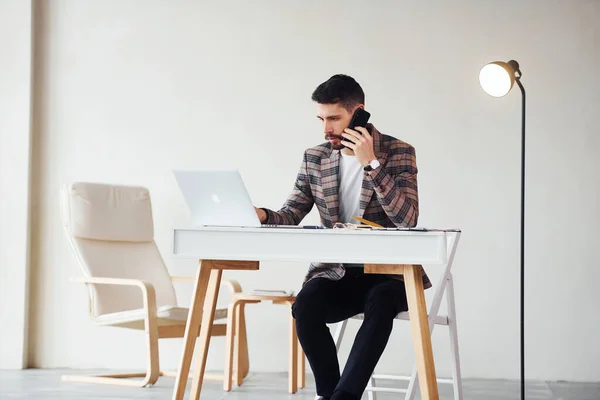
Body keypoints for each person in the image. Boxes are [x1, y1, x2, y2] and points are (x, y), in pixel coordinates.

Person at [254, 74, 431, 400]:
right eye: (321, 119)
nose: (326, 128)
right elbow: (291, 213)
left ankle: (344, 397)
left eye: (334, 118)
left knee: (380, 301)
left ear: (358, 112)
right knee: (305, 304)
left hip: (388, 275)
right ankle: (329, 394)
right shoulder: (315, 158)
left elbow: (407, 219)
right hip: (338, 272)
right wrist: (262, 215)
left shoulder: (398, 152)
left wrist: (372, 165)